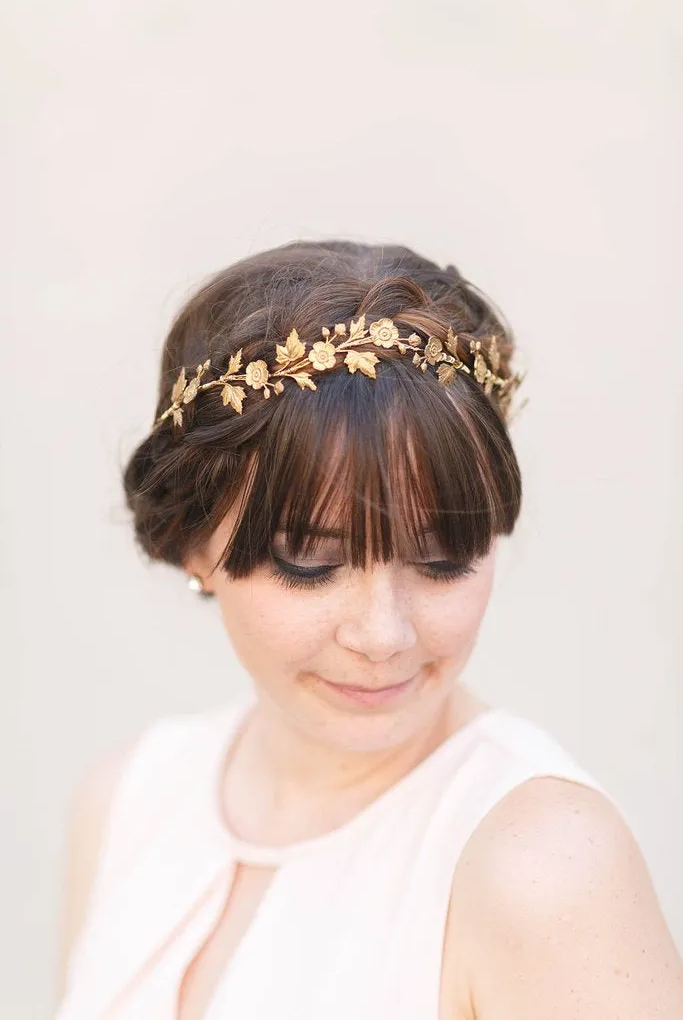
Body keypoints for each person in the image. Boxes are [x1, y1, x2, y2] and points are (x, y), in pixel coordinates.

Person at [54, 241, 683, 1019]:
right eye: (310, 561)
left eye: (443, 557)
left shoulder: (541, 866)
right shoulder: (130, 800)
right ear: (193, 543)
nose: (383, 634)